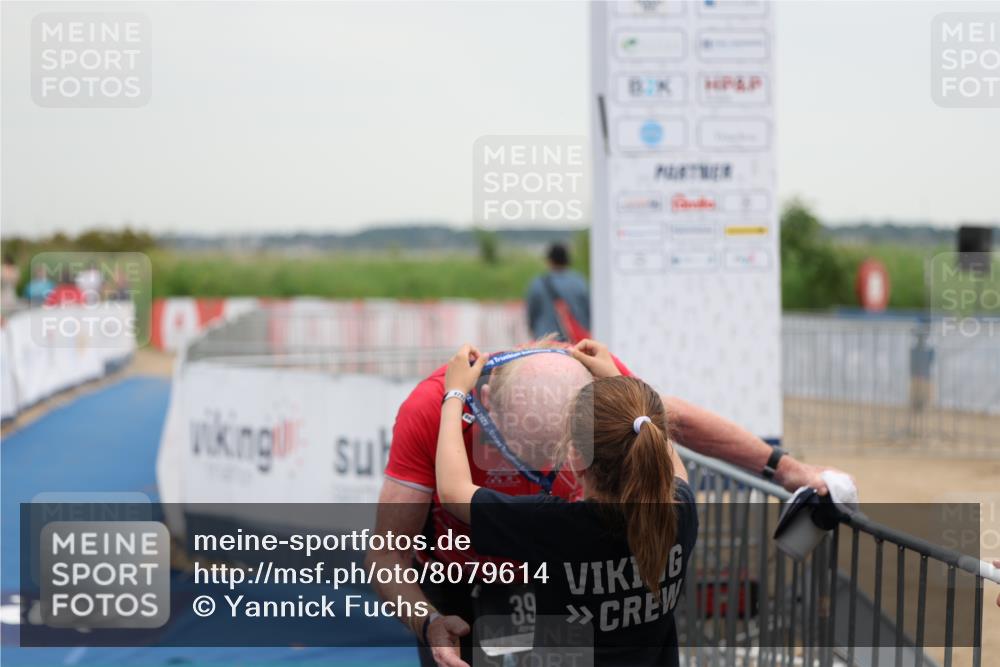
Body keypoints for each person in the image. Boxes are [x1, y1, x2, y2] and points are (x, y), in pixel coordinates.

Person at [367, 336, 846, 667]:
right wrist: (427, 619)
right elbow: (385, 551)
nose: (554, 466)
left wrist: (785, 468)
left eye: (562, 447)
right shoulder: (673, 501)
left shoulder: (564, 516)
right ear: (487, 404)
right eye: (534, 447)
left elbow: (456, 495)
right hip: (468, 591)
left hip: (552, 607)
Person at [435, 343, 696, 666]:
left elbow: (452, 492)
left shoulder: (558, 526)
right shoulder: (678, 513)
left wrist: (454, 393)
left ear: (576, 458)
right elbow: (671, 464)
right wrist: (620, 385)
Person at [526, 243, 590, 341]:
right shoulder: (579, 282)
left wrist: (533, 330)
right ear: (567, 260)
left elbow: (532, 314)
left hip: (545, 341)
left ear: (550, 260)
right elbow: (588, 311)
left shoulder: (538, 283)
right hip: (573, 341)